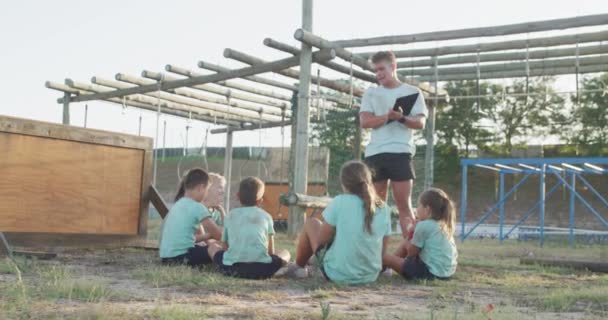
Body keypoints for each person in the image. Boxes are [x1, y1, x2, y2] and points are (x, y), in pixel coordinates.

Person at [359, 50, 428, 240]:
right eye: (376, 70)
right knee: (377, 206)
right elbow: (365, 122)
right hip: (375, 154)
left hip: (400, 153)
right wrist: (387, 117)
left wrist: (402, 118)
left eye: (382, 69)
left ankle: (411, 255)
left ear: (393, 66)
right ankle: (377, 256)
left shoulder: (413, 92)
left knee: (404, 205)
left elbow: (420, 123)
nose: (378, 74)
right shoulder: (371, 92)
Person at [291, 161, 391, 285]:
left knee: (311, 223)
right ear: (369, 180)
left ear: (344, 184)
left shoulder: (339, 201)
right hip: (370, 275)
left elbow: (322, 239)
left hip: (337, 274)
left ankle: (298, 266)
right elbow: (383, 249)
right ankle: (311, 263)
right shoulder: (383, 207)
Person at [208, 177, 290, 279]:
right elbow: (271, 251)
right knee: (285, 253)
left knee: (212, 247)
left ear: (238, 196)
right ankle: (279, 270)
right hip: (262, 269)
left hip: (231, 269)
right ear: (260, 200)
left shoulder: (230, 215)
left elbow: (225, 247)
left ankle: (222, 268)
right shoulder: (266, 216)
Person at [382, 188, 458, 280]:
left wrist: (412, 233)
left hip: (429, 273)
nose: (417, 209)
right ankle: (387, 267)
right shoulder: (443, 224)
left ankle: (383, 268)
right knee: (406, 243)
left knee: (383, 256)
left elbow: (411, 253)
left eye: (419, 205)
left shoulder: (424, 225)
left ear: (427, 209)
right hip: (446, 274)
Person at [159, 168, 222, 266]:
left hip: (166, 258)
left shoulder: (178, 204)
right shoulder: (197, 206)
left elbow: (187, 239)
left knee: (206, 247)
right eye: (207, 190)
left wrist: (209, 235)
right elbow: (218, 235)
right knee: (215, 247)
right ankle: (226, 267)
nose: (206, 194)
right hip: (182, 257)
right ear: (200, 188)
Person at [195, 173, 226, 244]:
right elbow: (206, 242)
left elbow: (226, 232)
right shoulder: (198, 209)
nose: (223, 191)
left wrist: (222, 212)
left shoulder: (217, 211)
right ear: (208, 189)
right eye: (220, 187)